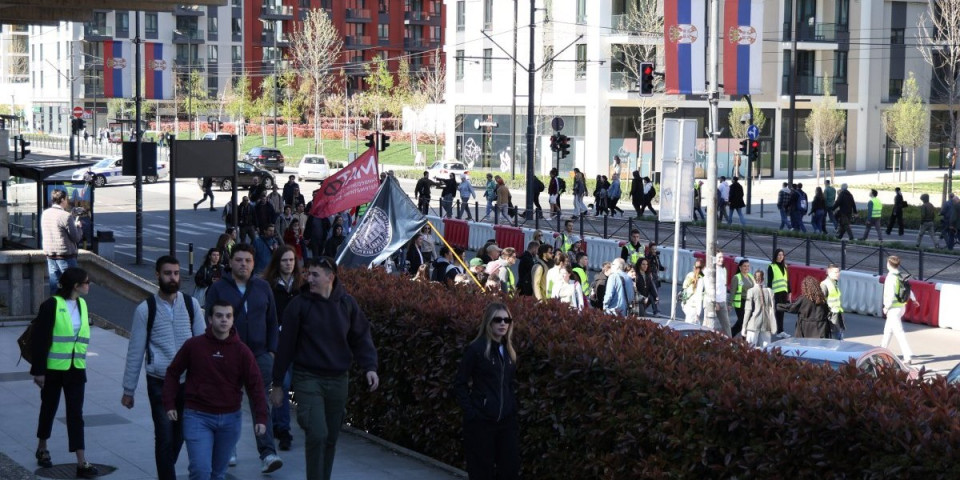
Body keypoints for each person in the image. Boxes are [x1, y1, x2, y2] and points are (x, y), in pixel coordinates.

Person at [271, 257, 379, 480]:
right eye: (308, 274)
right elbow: (285, 346)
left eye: (315, 275)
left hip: (338, 379)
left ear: (330, 277)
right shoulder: (299, 305)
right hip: (308, 377)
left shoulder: (347, 304)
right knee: (317, 434)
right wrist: (278, 383)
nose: (309, 278)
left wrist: (370, 366)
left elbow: (361, 337)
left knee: (330, 437)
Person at [163, 300, 269, 480]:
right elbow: (173, 372)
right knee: (200, 471)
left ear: (233, 319)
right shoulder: (194, 345)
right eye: (219, 316)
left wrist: (261, 417)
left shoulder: (242, 351)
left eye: (228, 316)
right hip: (197, 416)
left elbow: (256, 385)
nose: (224, 320)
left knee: (217, 474)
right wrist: (169, 403)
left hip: (230, 420)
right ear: (210, 319)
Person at [122, 256, 206, 480]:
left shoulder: (191, 305)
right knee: (165, 435)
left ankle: (165, 470)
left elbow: (204, 344)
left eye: (176, 273)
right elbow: (135, 351)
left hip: (188, 381)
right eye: (168, 273)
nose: (173, 278)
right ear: (157, 275)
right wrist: (128, 390)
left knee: (180, 436)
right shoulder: (145, 309)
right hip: (159, 381)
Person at [204, 244, 283, 473]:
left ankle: (268, 453)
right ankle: (229, 448)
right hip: (228, 354)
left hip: (259, 355)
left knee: (261, 403)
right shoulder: (218, 288)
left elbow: (272, 321)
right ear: (231, 262)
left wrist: (271, 352)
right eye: (239, 260)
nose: (243, 265)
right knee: (228, 403)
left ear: (253, 262)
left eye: (248, 260)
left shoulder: (262, 287)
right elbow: (210, 322)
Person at [30, 267, 99, 478]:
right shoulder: (51, 305)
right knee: (49, 409)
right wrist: (38, 371)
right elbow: (40, 341)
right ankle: (42, 446)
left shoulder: (83, 305)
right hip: (53, 369)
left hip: (76, 369)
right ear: (76, 286)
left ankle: (81, 461)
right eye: (87, 282)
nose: (89, 285)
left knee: (75, 414)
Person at [453, 302, 519, 480]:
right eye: (498, 320)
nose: (503, 324)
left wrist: (512, 408)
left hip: (506, 422)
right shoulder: (476, 349)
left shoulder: (508, 351)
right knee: (482, 471)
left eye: (507, 320)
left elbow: (509, 384)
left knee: (510, 469)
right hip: (481, 421)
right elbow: (460, 382)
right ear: (489, 322)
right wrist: (471, 412)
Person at [261, 246, 303, 452]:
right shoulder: (268, 286)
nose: (288, 264)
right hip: (278, 343)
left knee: (289, 385)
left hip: (297, 343)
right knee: (283, 383)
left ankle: (278, 425)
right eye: (285, 260)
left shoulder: (300, 286)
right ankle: (284, 430)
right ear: (278, 263)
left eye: (291, 260)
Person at [41, 189, 83, 294]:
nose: (67, 202)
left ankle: (55, 309)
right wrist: (78, 227)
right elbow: (76, 238)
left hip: (50, 256)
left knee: (55, 288)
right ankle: (69, 309)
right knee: (71, 288)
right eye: (67, 199)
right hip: (66, 257)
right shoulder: (65, 215)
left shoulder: (45, 213)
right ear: (62, 199)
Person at [881, 255, 916, 365]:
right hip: (901, 307)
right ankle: (881, 351)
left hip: (893, 309)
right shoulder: (900, 275)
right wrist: (914, 300)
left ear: (888, 264)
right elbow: (908, 289)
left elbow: (890, 294)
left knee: (899, 333)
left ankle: (907, 356)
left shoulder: (890, 277)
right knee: (888, 331)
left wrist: (886, 307)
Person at [742, 270, 776, 347]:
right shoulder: (770, 291)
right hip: (766, 323)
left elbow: (748, 311)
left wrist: (744, 327)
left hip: (754, 323)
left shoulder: (751, 291)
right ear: (763, 279)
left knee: (750, 347)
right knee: (766, 348)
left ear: (754, 279)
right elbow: (772, 309)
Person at [709, 252, 732, 336]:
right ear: (714, 258)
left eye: (722, 257)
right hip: (714, 302)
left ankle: (730, 343)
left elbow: (723, 287)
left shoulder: (723, 269)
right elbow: (708, 288)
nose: (721, 259)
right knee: (710, 325)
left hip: (722, 302)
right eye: (719, 257)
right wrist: (714, 301)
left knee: (727, 325)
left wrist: (726, 302)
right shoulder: (710, 270)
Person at [820, 264, 846, 340]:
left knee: (838, 338)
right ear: (828, 272)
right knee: (835, 340)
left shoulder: (834, 283)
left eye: (838, 272)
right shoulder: (825, 284)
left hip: (837, 316)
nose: (838, 274)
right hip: (831, 318)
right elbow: (821, 303)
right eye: (836, 272)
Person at [768, 249, 790, 335]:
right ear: (775, 256)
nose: (781, 257)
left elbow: (787, 280)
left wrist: (790, 292)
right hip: (776, 292)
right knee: (778, 312)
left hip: (784, 292)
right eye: (779, 255)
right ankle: (779, 330)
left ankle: (780, 330)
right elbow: (769, 282)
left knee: (782, 312)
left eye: (782, 255)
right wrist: (770, 293)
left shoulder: (785, 266)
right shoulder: (772, 266)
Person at [730, 259, 754, 337]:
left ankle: (745, 340)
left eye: (748, 266)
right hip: (741, 302)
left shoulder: (750, 276)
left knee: (747, 322)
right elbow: (732, 291)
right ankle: (730, 334)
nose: (746, 268)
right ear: (740, 268)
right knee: (742, 321)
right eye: (744, 266)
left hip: (750, 302)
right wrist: (730, 303)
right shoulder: (737, 277)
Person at [681, 258, 705, 324]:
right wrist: (698, 312)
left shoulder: (689, 275)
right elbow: (698, 296)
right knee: (691, 327)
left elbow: (684, 287)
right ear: (703, 268)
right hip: (693, 307)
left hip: (686, 303)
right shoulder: (700, 279)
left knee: (692, 325)